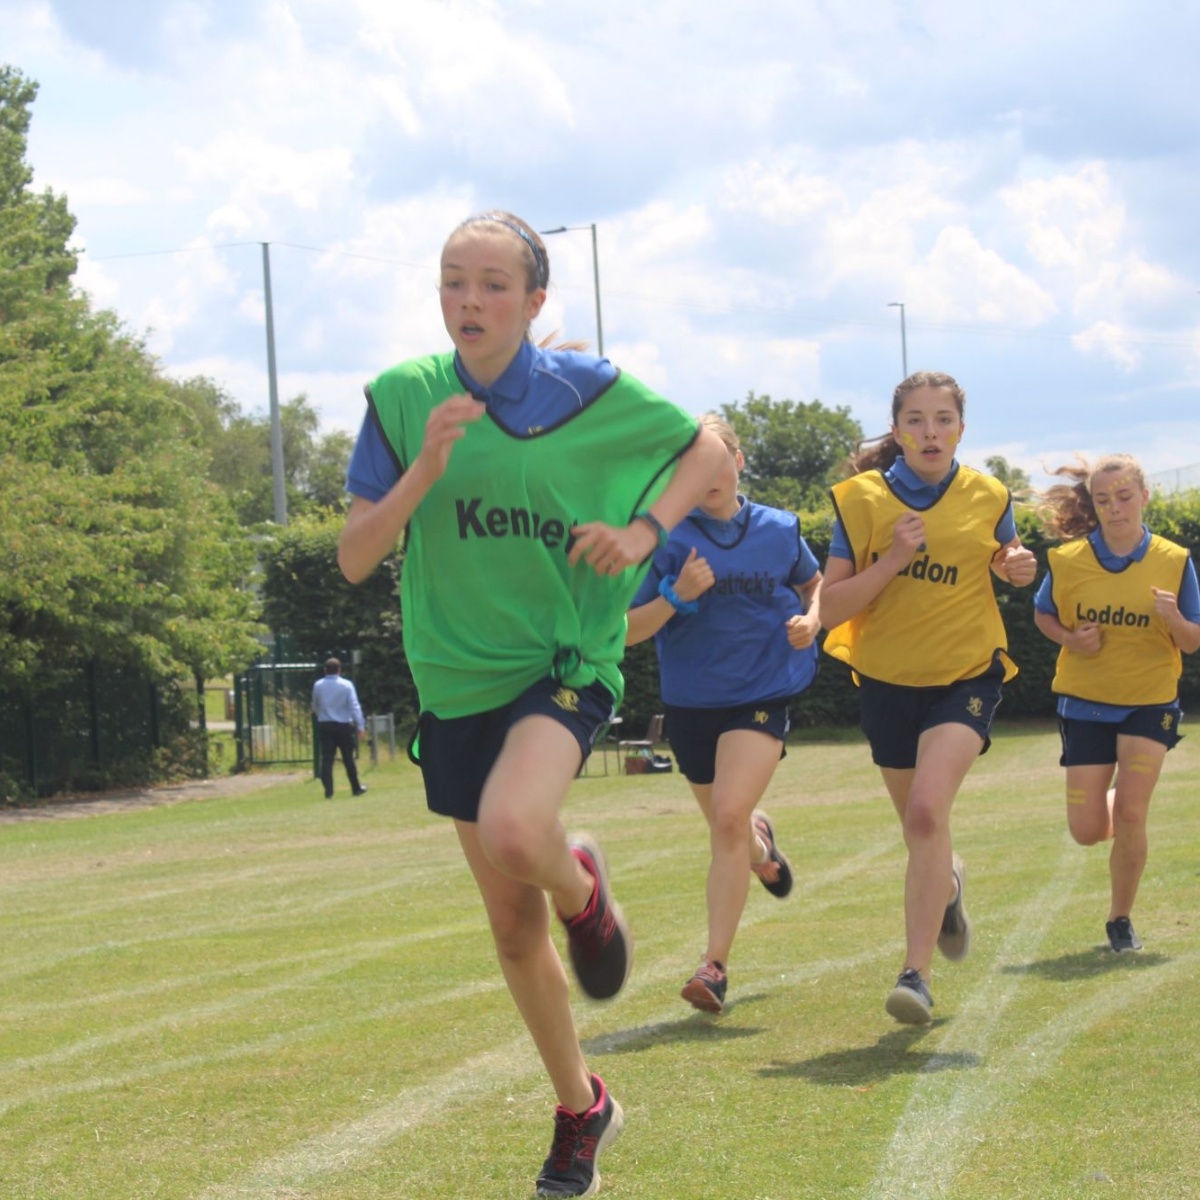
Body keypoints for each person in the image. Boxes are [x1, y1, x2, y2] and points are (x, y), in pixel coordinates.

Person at [336, 210, 727, 1198]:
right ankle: (582, 1106)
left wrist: (645, 532)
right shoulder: (399, 398)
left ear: (535, 301)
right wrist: (426, 465)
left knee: (518, 826)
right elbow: (353, 556)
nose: (469, 299)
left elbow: (709, 449)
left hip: (568, 656)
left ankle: (584, 891)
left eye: (493, 284)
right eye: (452, 280)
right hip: (454, 680)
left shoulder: (591, 391)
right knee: (512, 928)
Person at [819, 371, 1038, 1025]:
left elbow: (1007, 555)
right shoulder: (858, 501)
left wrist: (1017, 565)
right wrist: (888, 561)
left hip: (966, 676)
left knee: (924, 814)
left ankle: (915, 975)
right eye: (915, 419)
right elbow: (829, 609)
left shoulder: (989, 493)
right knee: (923, 834)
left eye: (943, 419)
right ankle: (946, 884)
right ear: (896, 430)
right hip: (886, 682)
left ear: (961, 430)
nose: (929, 431)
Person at [626, 413, 822, 1014]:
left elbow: (816, 584)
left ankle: (713, 967)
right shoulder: (662, 539)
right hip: (693, 703)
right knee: (733, 829)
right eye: (693, 465)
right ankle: (763, 850)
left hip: (763, 693)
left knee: (728, 816)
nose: (707, 474)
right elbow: (627, 632)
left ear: (738, 461)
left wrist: (811, 622)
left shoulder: (780, 529)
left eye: (717, 459)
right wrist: (675, 596)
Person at [1033, 454, 1200, 953]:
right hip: (1085, 704)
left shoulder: (1174, 561)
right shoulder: (1067, 561)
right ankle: (1115, 800)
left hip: (1150, 703)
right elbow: (1044, 615)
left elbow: (1192, 642)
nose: (1114, 508)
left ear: (1144, 497)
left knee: (1132, 814)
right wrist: (1071, 638)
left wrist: (1173, 618)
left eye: (1124, 497)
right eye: (1102, 500)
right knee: (1087, 831)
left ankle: (1120, 918)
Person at [311, 657, 368, 799]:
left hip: (325, 724)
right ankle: (356, 788)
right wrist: (360, 725)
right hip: (343, 725)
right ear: (339, 670)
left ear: (325, 670)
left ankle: (328, 791)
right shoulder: (346, 685)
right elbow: (354, 706)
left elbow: (315, 705)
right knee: (348, 758)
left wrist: (322, 716)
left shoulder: (318, 685)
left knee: (327, 759)